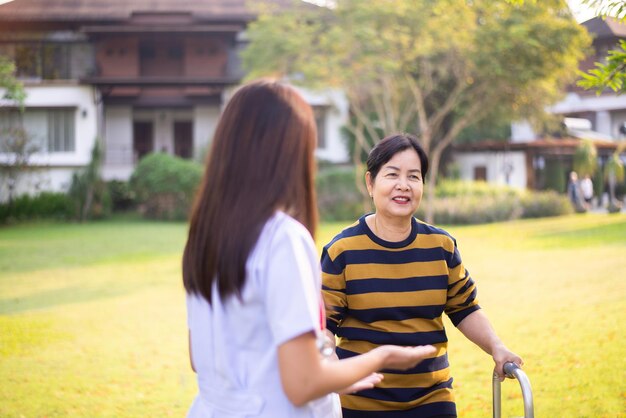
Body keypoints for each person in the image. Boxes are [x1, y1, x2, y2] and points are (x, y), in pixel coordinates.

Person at [182, 81, 435, 418]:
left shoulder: (206, 236)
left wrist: (331, 376)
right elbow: (302, 384)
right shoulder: (281, 238)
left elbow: (201, 359)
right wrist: (381, 357)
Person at [321, 133, 523, 417]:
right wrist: (327, 361)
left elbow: (465, 309)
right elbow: (324, 326)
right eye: (392, 175)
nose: (403, 185)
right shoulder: (342, 251)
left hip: (433, 401)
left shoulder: (441, 246)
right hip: (360, 403)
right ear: (370, 182)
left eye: (414, 177)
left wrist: (497, 348)